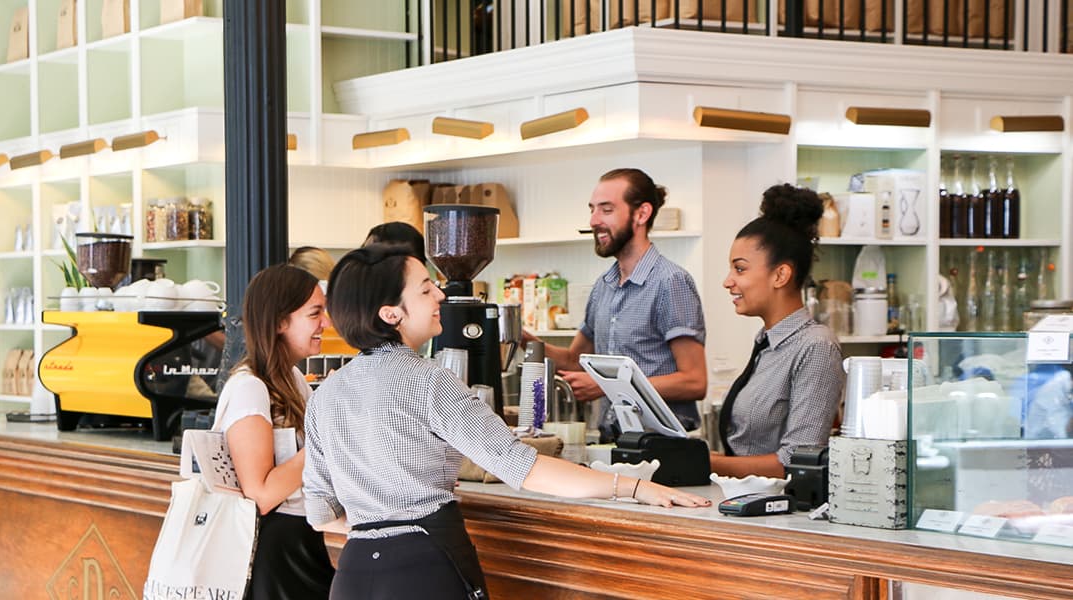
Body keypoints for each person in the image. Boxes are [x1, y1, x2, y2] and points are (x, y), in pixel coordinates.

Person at [303, 243, 710, 600]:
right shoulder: (429, 381)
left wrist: (378, 527)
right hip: (426, 567)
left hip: (354, 574)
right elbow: (523, 468)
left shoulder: (327, 393)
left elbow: (320, 512)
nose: (440, 295)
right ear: (391, 313)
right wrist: (635, 487)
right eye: (426, 289)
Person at [522, 168, 708, 438]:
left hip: (662, 444)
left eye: (606, 210)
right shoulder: (604, 286)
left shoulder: (671, 282)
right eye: (592, 209)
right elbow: (575, 360)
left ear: (641, 214)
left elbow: (694, 381)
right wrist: (522, 340)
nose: (594, 220)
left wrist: (606, 385)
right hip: (614, 439)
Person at [215, 264, 335, 599]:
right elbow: (261, 495)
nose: (325, 323)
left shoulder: (294, 381)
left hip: (302, 542)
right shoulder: (249, 388)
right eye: (315, 314)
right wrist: (329, 441)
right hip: (271, 554)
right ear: (281, 321)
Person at [714, 184, 845, 479]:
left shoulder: (816, 347)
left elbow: (796, 460)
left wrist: (706, 462)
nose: (728, 281)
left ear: (780, 275)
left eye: (740, 269)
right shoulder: (767, 342)